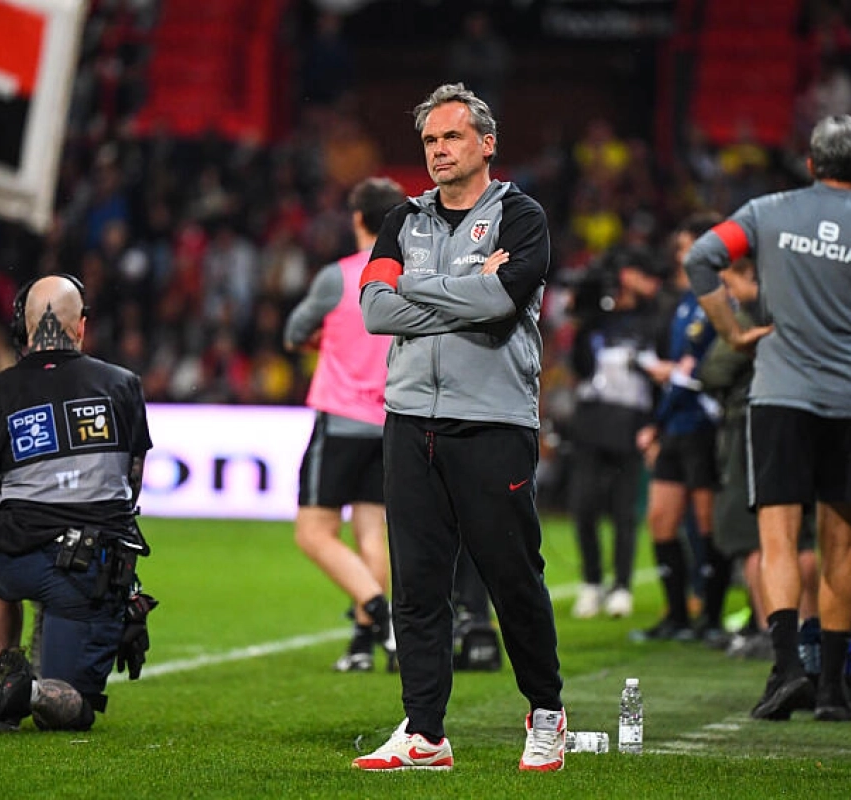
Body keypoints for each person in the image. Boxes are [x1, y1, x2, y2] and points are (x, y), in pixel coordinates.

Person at [352, 83, 565, 772]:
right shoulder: (402, 219)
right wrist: (469, 291)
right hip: (410, 420)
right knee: (416, 587)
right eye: (430, 141)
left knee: (512, 578)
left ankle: (547, 712)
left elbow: (502, 304)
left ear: (486, 143)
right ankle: (425, 733)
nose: (439, 150)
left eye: (451, 137)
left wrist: (416, 289)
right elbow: (374, 311)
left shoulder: (521, 217)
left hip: (493, 421)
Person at [685, 114, 851, 722]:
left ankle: (787, 668)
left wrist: (732, 333)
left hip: (780, 397)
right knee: (840, 544)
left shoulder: (766, 212)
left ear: (812, 164)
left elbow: (702, 259)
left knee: (778, 540)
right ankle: (833, 690)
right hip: (850, 402)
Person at [0, 274, 156, 733]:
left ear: (25, 328)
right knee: (72, 708)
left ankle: (4, 671)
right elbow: (130, 488)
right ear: (81, 326)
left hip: (12, 557)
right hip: (87, 573)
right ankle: (25, 692)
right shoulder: (122, 385)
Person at [284, 176, 406, 673]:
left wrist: (322, 340)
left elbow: (295, 331)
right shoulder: (407, 278)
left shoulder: (338, 277)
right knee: (371, 532)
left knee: (313, 533)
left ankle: (381, 617)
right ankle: (361, 644)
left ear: (357, 218)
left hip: (341, 420)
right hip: (390, 421)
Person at [696, 258, 821, 659]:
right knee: (801, 533)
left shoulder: (753, 316)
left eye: (731, 283)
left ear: (753, 276)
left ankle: (772, 631)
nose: (728, 293)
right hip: (803, 423)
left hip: (752, 427)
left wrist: (735, 342)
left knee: (752, 535)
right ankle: (811, 629)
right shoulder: (805, 309)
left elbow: (713, 371)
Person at [631, 212, 734, 644]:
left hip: (704, 424)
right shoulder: (687, 299)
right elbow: (682, 367)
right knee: (661, 518)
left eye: (688, 247)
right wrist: (657, 422)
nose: (681, 256)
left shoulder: (721, 299)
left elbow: (702, 368)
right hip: (675, 422)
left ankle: (710, 617)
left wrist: (675, 374)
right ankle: (676, 615)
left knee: (707, 522)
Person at [565, 247, 665, 619]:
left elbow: (660, 375)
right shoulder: (595, 321)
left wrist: (655, 423)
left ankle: (621, 585)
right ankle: (591, 582)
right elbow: (579, 367)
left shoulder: (652, 319)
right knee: (584, 506)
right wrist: (582, 320)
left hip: (632, 422)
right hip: (592, 419)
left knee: (624, 510)